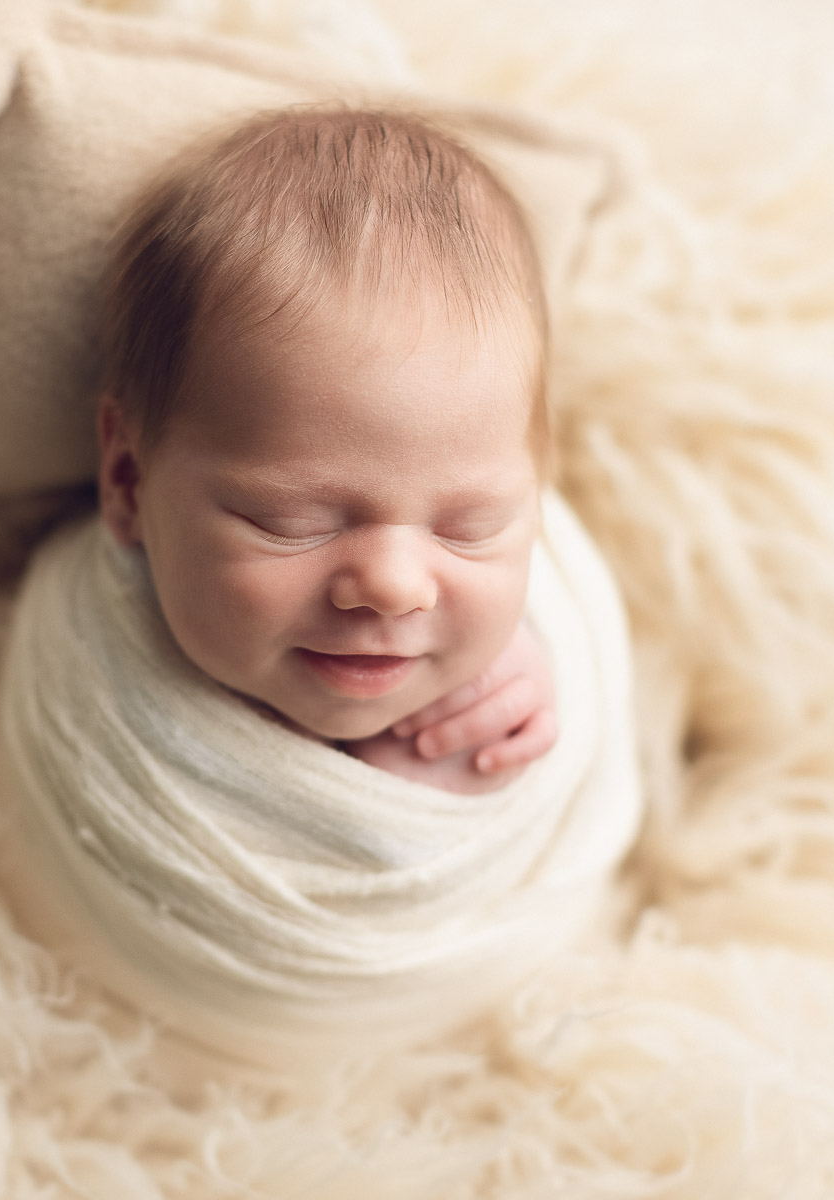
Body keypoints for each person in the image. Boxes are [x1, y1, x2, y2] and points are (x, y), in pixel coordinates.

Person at [92, 104, 558, 795]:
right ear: (130, 481)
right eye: (293, 522)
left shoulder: (537, 626)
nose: (394, 587)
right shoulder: (93, 655)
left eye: (470, 527)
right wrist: (390, 811)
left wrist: (535, 685)